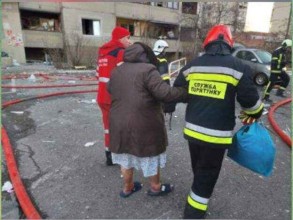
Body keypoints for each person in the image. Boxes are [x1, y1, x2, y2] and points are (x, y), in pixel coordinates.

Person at [172, 25, 264, 218]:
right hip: (216, 135)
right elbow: (251, 103)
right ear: (229, 44)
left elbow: (178, 90)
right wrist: (255, 114)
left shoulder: (193, 65)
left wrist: (198, 95)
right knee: (208, 171)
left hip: (192, 131)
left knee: (199, 166)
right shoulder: (238, 66)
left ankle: (197, 191)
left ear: (208, 42)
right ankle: (194, 212)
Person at [107, 42, 187, 198]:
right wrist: (185, 92)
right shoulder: (148, 69)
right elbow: (165, 94)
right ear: (145, 55)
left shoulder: (116, 70)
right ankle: (156, 187)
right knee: (151, 154)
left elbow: (109, 88)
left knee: (125, 156)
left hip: (118, 122)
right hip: (143, 122)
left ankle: (127, 188)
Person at [96, 26, 132, 166]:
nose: (129, 41)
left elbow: (98, 75)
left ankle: (109, 156)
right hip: (115, 98)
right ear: (120, 38)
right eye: (127, 38)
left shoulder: (102, 54)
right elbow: (126, 76)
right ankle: (120, 156)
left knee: (107, 127)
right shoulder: (120, 52)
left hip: (102, 97)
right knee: (121, 127)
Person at [153, 39, 176, 119]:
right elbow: (165, 77)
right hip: (159, 87)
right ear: (160, 48)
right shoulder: (162, 60)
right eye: (164, 49)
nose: (165, 51)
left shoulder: (150, 57)